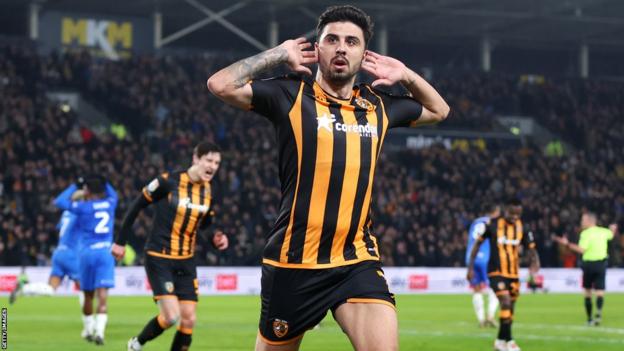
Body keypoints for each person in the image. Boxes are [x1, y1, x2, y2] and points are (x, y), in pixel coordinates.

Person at [208, 5, 449, 350]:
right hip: (294, 262)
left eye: (351, 42)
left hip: (356, 259)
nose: (341, 47)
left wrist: (407, 75)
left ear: (363, 54)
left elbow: (440, 110)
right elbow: (219, 84)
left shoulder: (378, 105)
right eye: (331, 39)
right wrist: (278, 54)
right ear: (317, 48)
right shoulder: (291, 94)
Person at [112, 142, 229, 351]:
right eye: (209, 160)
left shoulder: (210, 190)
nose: (213, 166)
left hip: (186, 261)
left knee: (189, 320)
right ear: (196, 159)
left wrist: (216, 237)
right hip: (159, 257)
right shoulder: (168, 181)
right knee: (171, 316)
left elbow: (206, 224)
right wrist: (120, 241)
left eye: (217, 162)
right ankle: (136, 344)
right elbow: (137, 205)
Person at [467, 198, 540, 351]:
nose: (514, 217)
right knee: (505, 302)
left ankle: (500, 341)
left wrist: (536, 262)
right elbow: (477, 244)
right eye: (512, 213)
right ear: (505, 210)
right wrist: (470, 267)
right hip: (496, 272)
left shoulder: (523, 227)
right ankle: (510, 341)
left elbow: (531, 248)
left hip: (513, 273)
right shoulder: (492, 225)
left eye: (518, 214)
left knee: (510, 309)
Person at [55, 177, 118, 345]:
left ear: (87, 191)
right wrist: (105, 181)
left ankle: (89, 330)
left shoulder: (82, 207)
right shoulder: (110, 203)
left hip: (86, 254)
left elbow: (59, 201)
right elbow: (114, 194)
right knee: (103, 296)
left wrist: (75, 185)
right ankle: (100, 333)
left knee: (88, 296)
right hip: (105, 252)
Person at [10, 188, 85, 304]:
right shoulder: (81, 214)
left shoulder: (66, 214)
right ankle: (89, 321)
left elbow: (61, 228)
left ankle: (24, 288)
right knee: (84, 286)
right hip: (71, 254)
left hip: (59, 253)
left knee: (51, 288)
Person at [553, 212, 618, 326]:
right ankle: (598, 314)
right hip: (601, 264)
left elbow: (582, 250)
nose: (582, 222)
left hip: (589, 264)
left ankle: (589, 319)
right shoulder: (603, 231)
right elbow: (611, 235)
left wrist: (567, 244)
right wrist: (613, 229)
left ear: (589, 221)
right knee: (600, 291)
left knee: (587, 292)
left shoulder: (586, 234)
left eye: (583, 220)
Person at [465, 203, 500, 328]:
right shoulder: (492, 223)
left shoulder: (475, 222)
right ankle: (490, 316)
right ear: (495, 212)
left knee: (476, 289)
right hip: (486, 258)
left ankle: (481, 320)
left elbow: (470, 241)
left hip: (471, 258)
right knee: (495, 287)